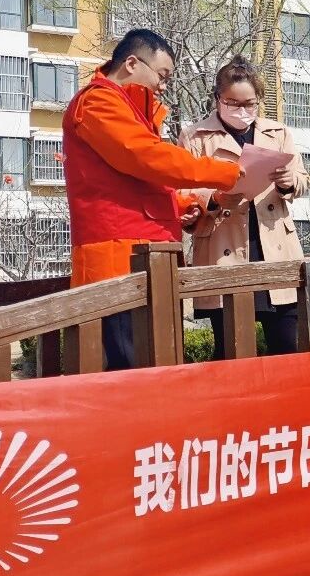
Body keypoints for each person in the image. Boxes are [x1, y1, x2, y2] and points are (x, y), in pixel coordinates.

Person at [63, 29, 241, 370]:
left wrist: (191, 205)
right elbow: (147, 158)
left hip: (145, 257)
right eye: (162, 75)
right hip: (119, 261)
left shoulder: (127, 109)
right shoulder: (99, 102)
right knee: (130, 370)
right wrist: (223, 172)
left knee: (153, 367)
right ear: (132, 63)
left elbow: (141, 184)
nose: (163, 86)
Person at [181, 56, 309, 358]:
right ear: (217, 98)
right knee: (232, 351)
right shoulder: (195, 136)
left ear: (259, 100)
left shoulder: (278, 133)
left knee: (287, 347)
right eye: (232, 103)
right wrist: (214, 197)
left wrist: (288, 182)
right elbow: (182, 191)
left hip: (273, 243)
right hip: (224, 243)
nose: (241, 110)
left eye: (249, 104)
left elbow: (303, 180)